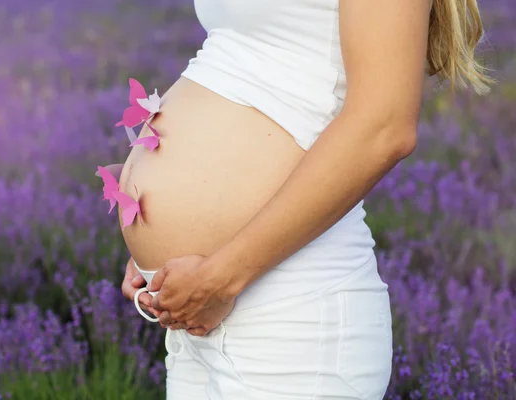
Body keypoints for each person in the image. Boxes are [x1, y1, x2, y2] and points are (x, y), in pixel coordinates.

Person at [105, 0, 495, 398]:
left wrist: (221, 277)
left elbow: (385, 126)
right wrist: (164, 239)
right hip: (201, 307)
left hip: (288, 313)